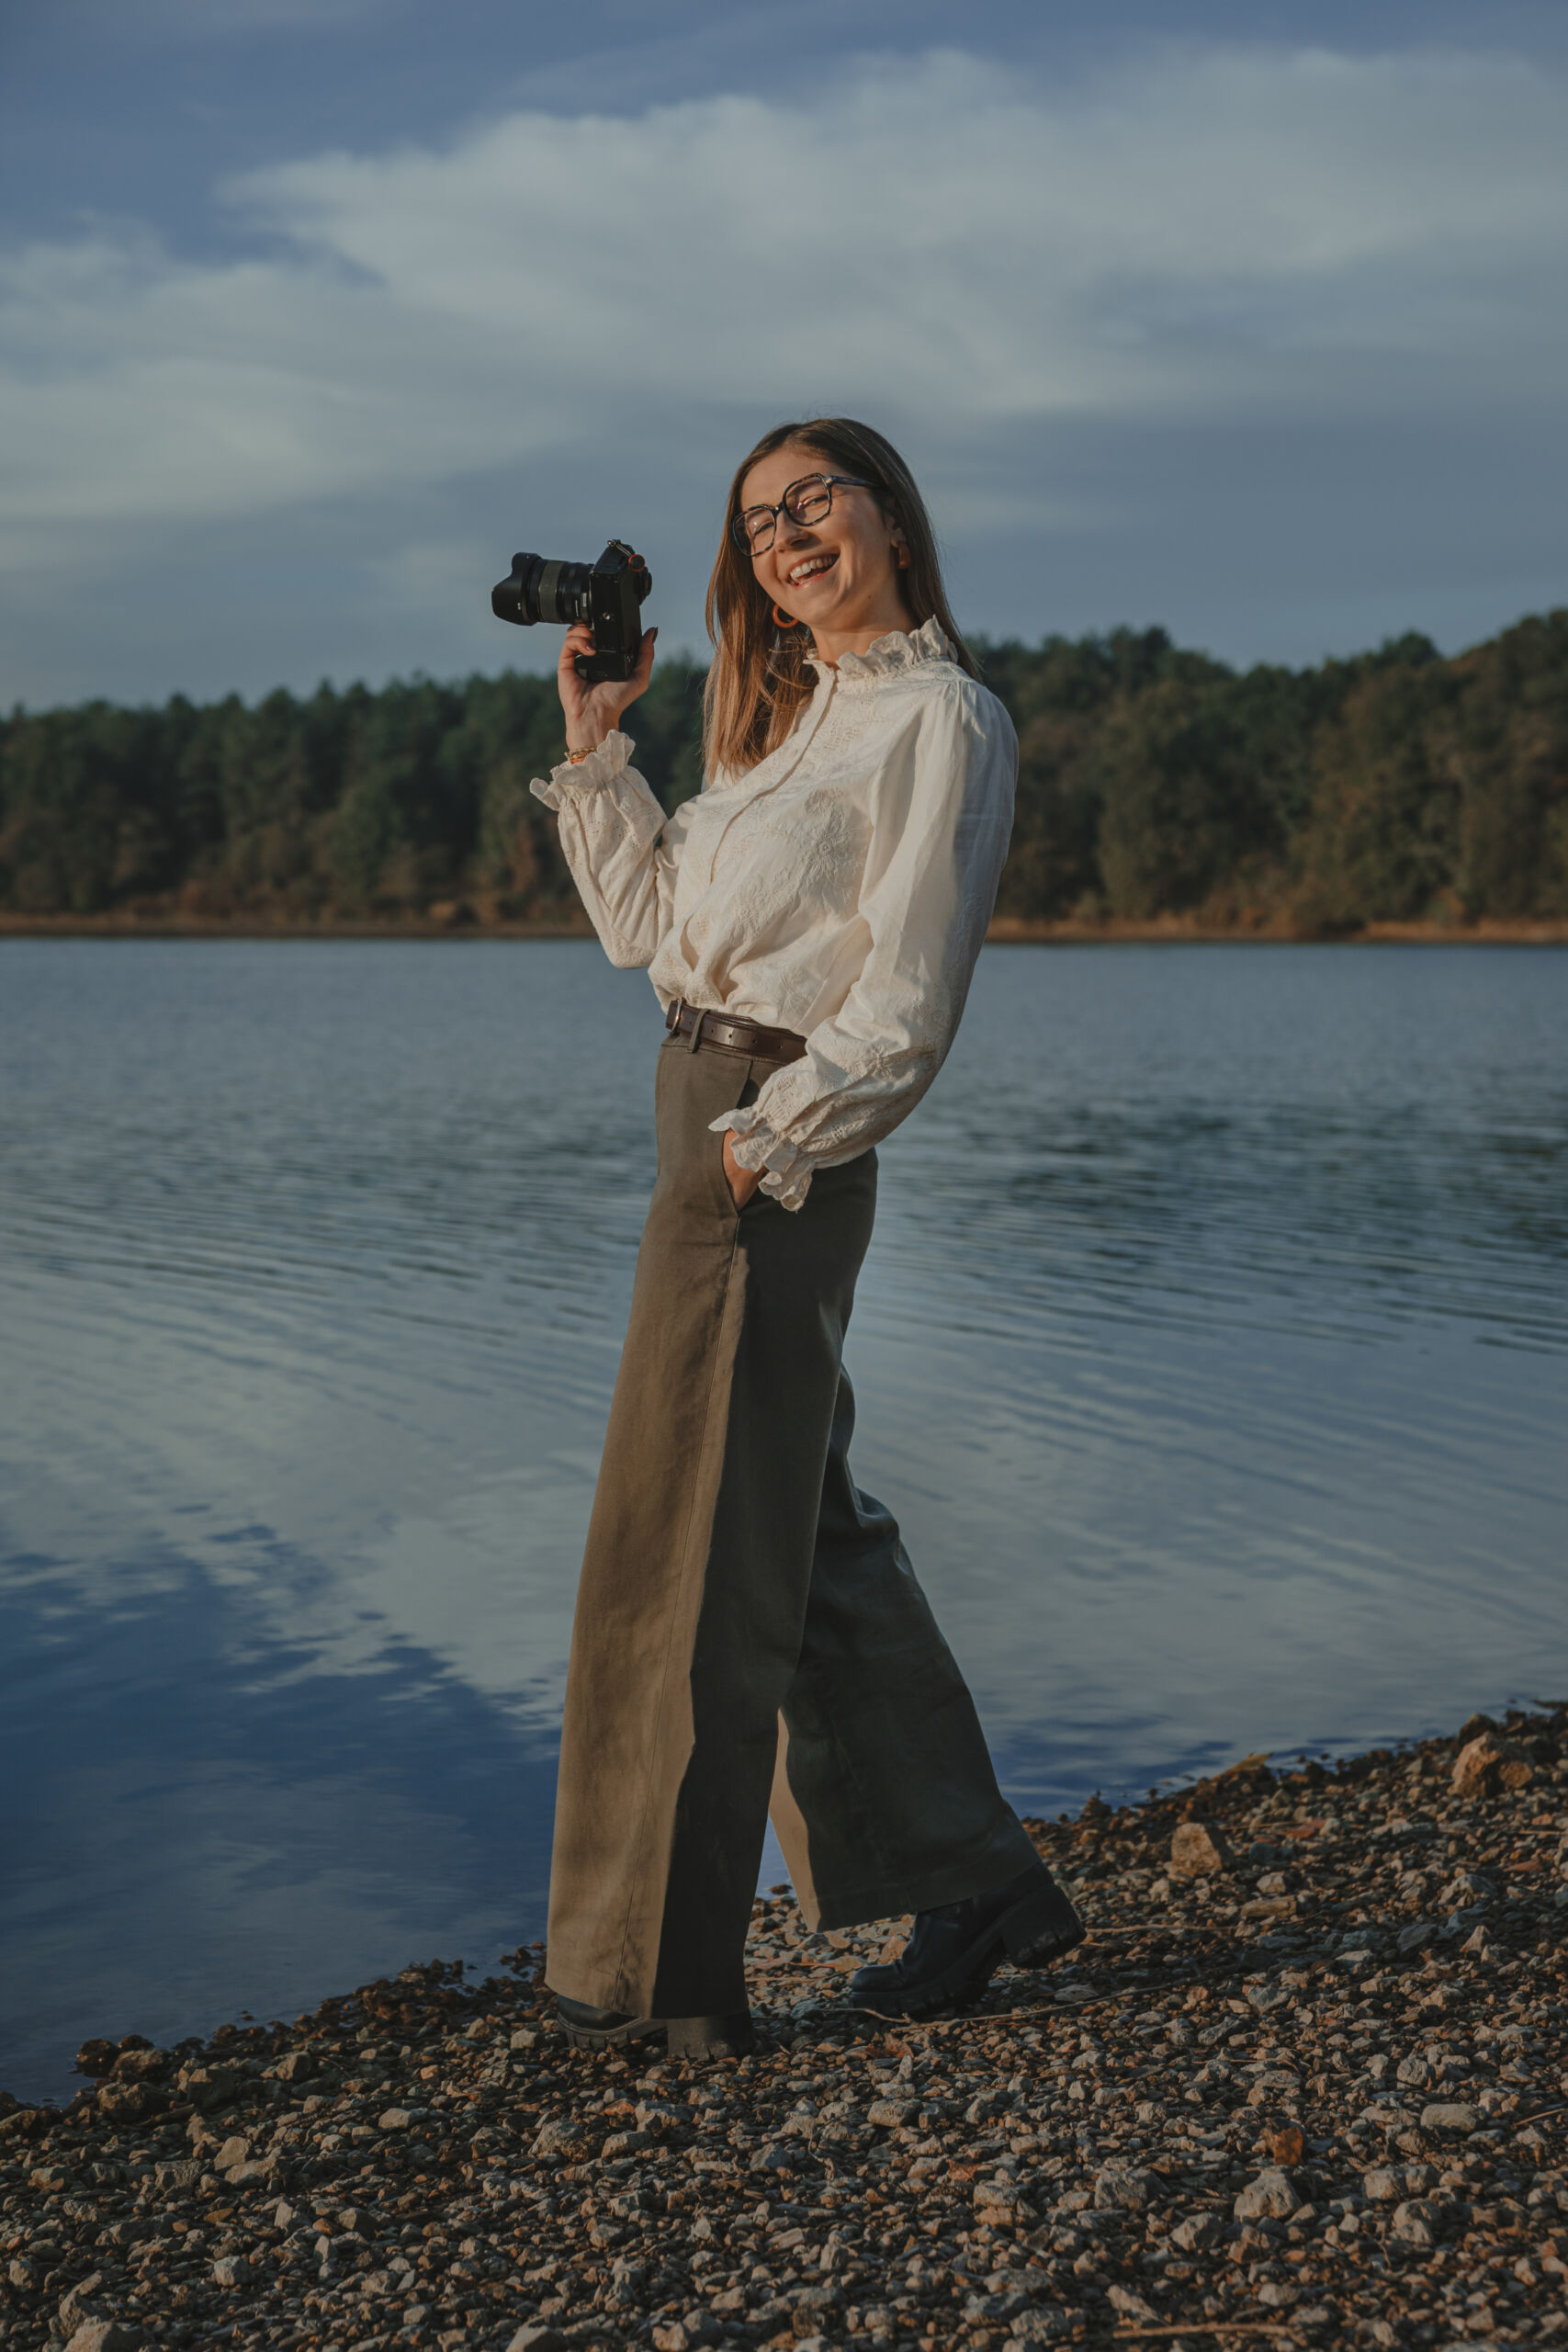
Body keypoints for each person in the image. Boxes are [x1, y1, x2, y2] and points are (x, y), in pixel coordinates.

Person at [530, 417, 1083, 2059]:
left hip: (767, 1139)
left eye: (814, 498)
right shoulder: (779, 732)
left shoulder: (942, 722)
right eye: (758, 517)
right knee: (798, 1529)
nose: (784, 534)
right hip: (704, 1110)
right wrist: (601, 744)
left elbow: (907, 1001)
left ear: (893, 521)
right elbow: (651, 936)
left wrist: (758, 1156)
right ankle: (975, 1878)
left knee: (683, 1554)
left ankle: (654, 1982)